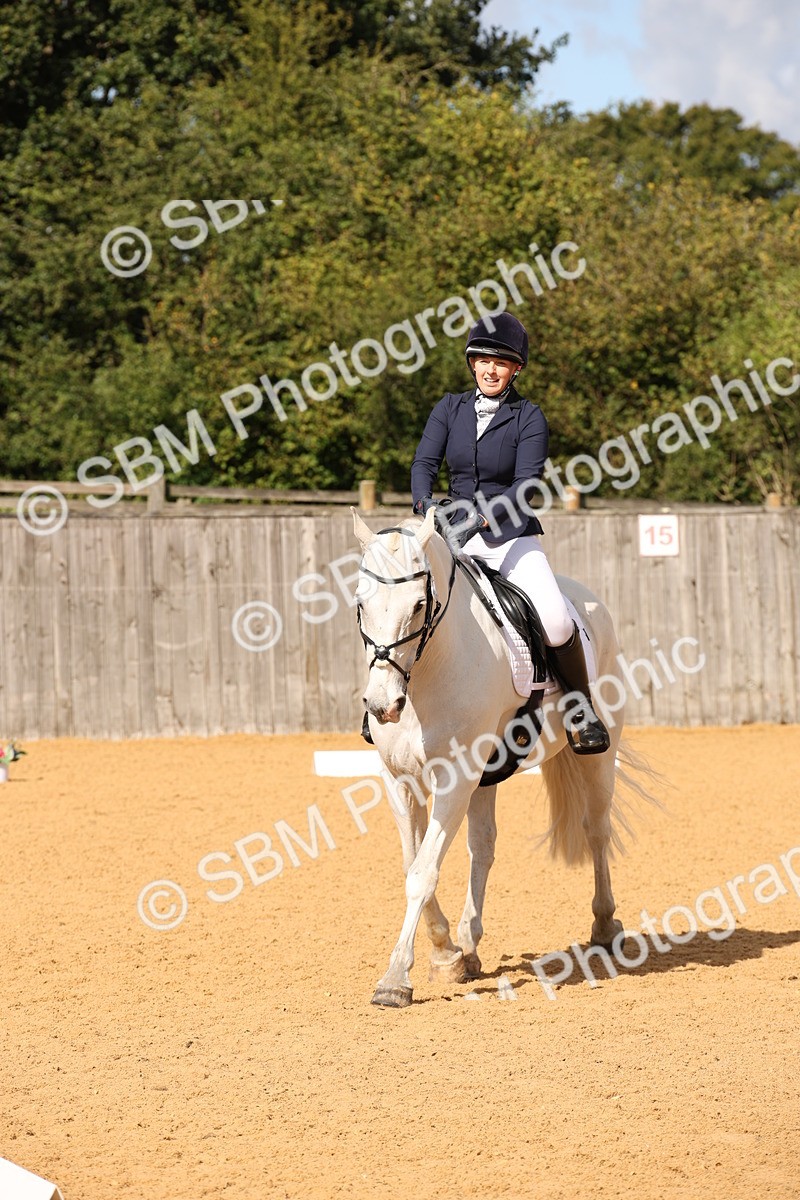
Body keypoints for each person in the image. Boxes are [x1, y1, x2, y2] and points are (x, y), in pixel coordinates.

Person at [410, 311, 610, 754]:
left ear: (515, 368)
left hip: (511, 538)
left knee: (556, 621)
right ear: (471, 363)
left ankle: (581, 711)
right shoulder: (448, 409)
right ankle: (387, 709)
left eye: (500, 363)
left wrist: (481, 519)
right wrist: (427, 508)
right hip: (450, 537)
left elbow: (526, 486)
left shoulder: (529, 417)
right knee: (404, 601)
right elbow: (424, 465)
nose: (490, 369)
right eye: (482, 360)